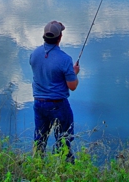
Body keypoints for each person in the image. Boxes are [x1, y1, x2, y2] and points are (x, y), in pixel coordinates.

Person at [29, 20, 80, 161]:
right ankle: (66, 170)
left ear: (44, 36)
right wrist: (74, 73)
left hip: (38, 103)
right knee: (64, 141)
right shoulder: (65, 59)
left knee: (39, 140)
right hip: (58, 105)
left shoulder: (34, 54)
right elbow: (72, 86)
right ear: (60, 37)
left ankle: (37, 168)